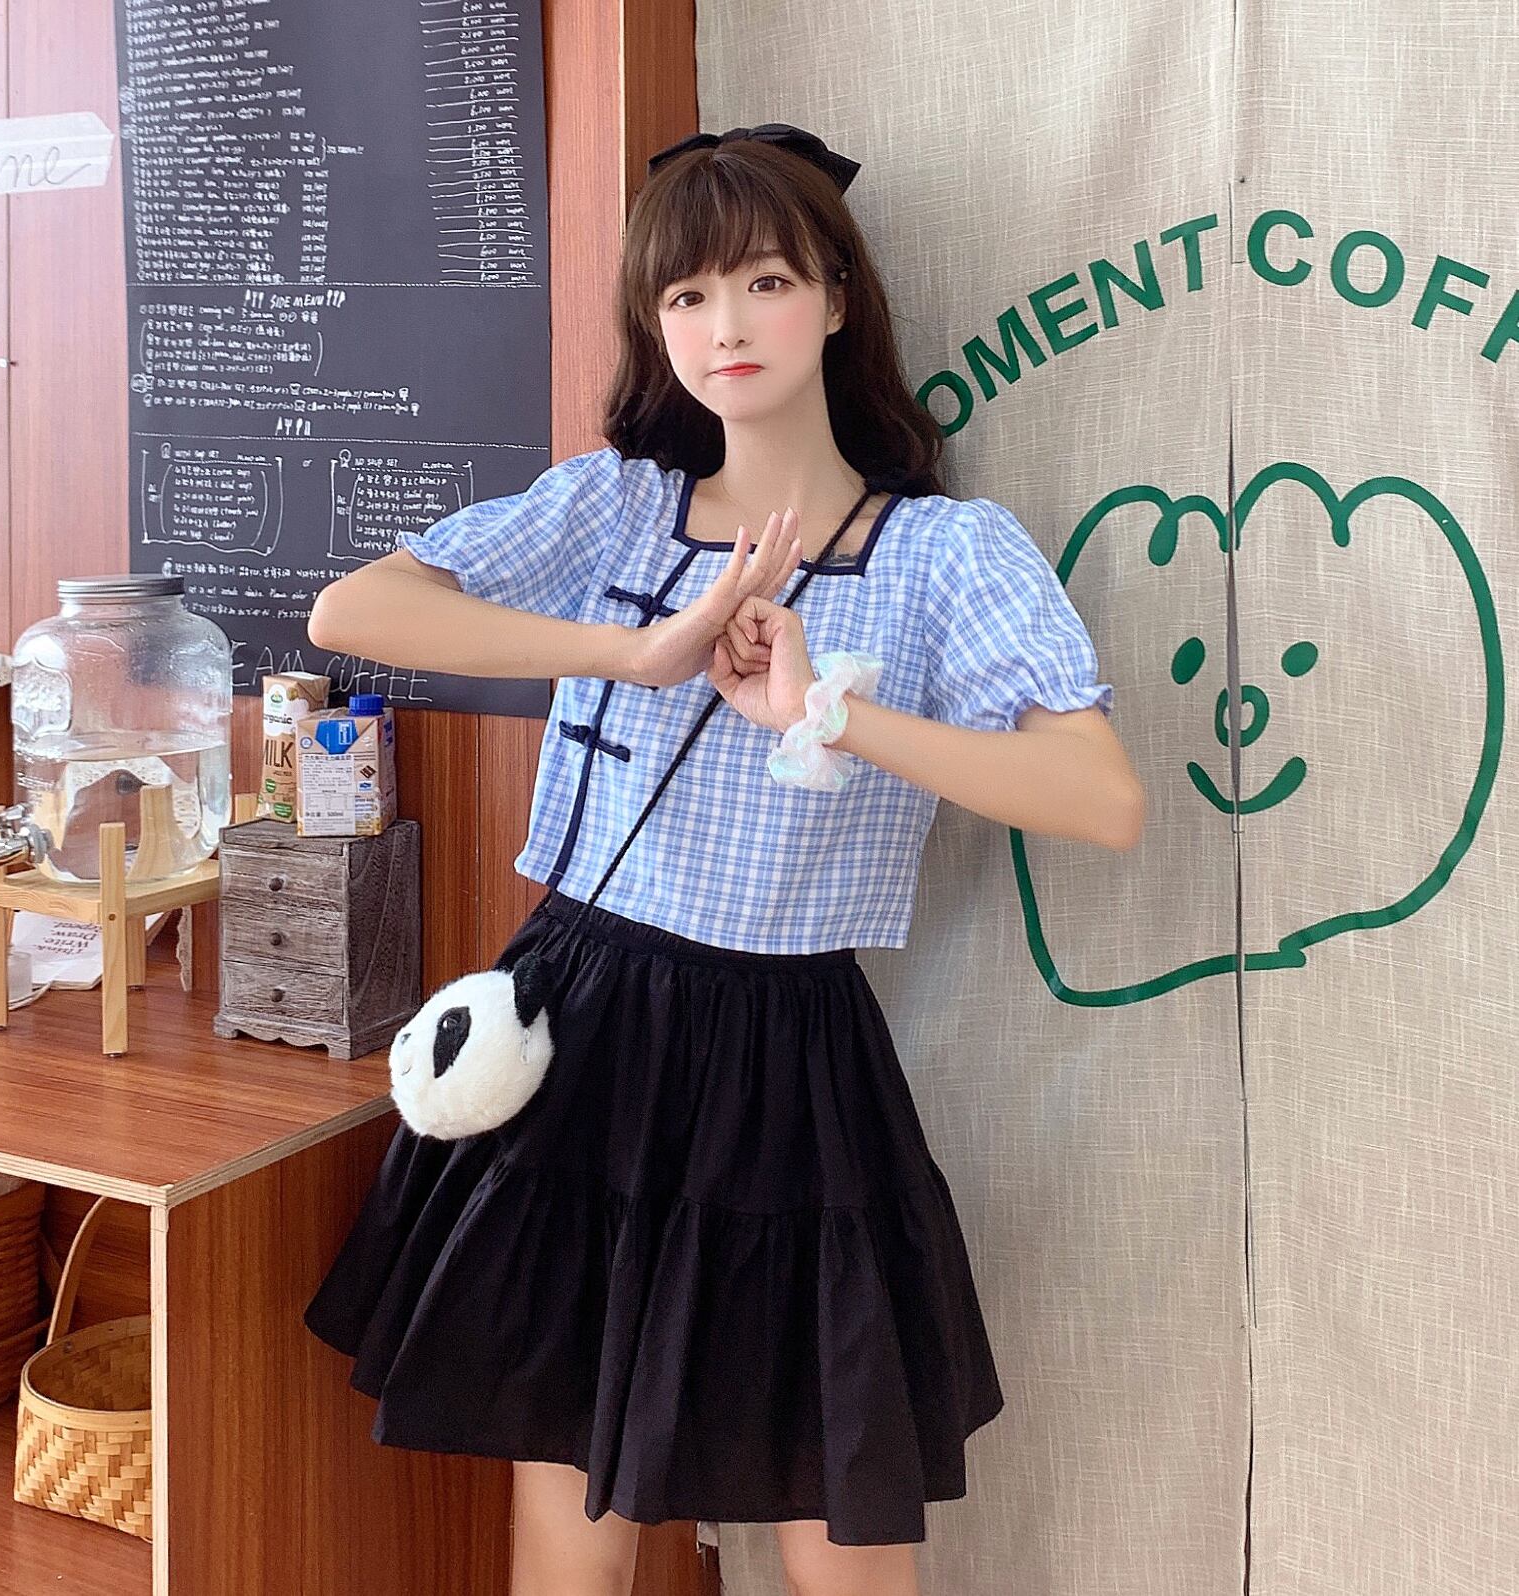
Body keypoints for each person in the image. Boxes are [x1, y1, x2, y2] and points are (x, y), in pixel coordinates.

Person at [301, 124, 1143, 1596]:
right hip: (583, 1022)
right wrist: (635, 652)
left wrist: (831, 713)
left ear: (835, 297)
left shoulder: (945, 551)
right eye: (685, 295)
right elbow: (354, 612)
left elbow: (1100, 796)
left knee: (842, 1517)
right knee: (573, 1499)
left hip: (789, 1054)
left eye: (763, 281)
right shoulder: (617, 504)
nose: (725, 325)